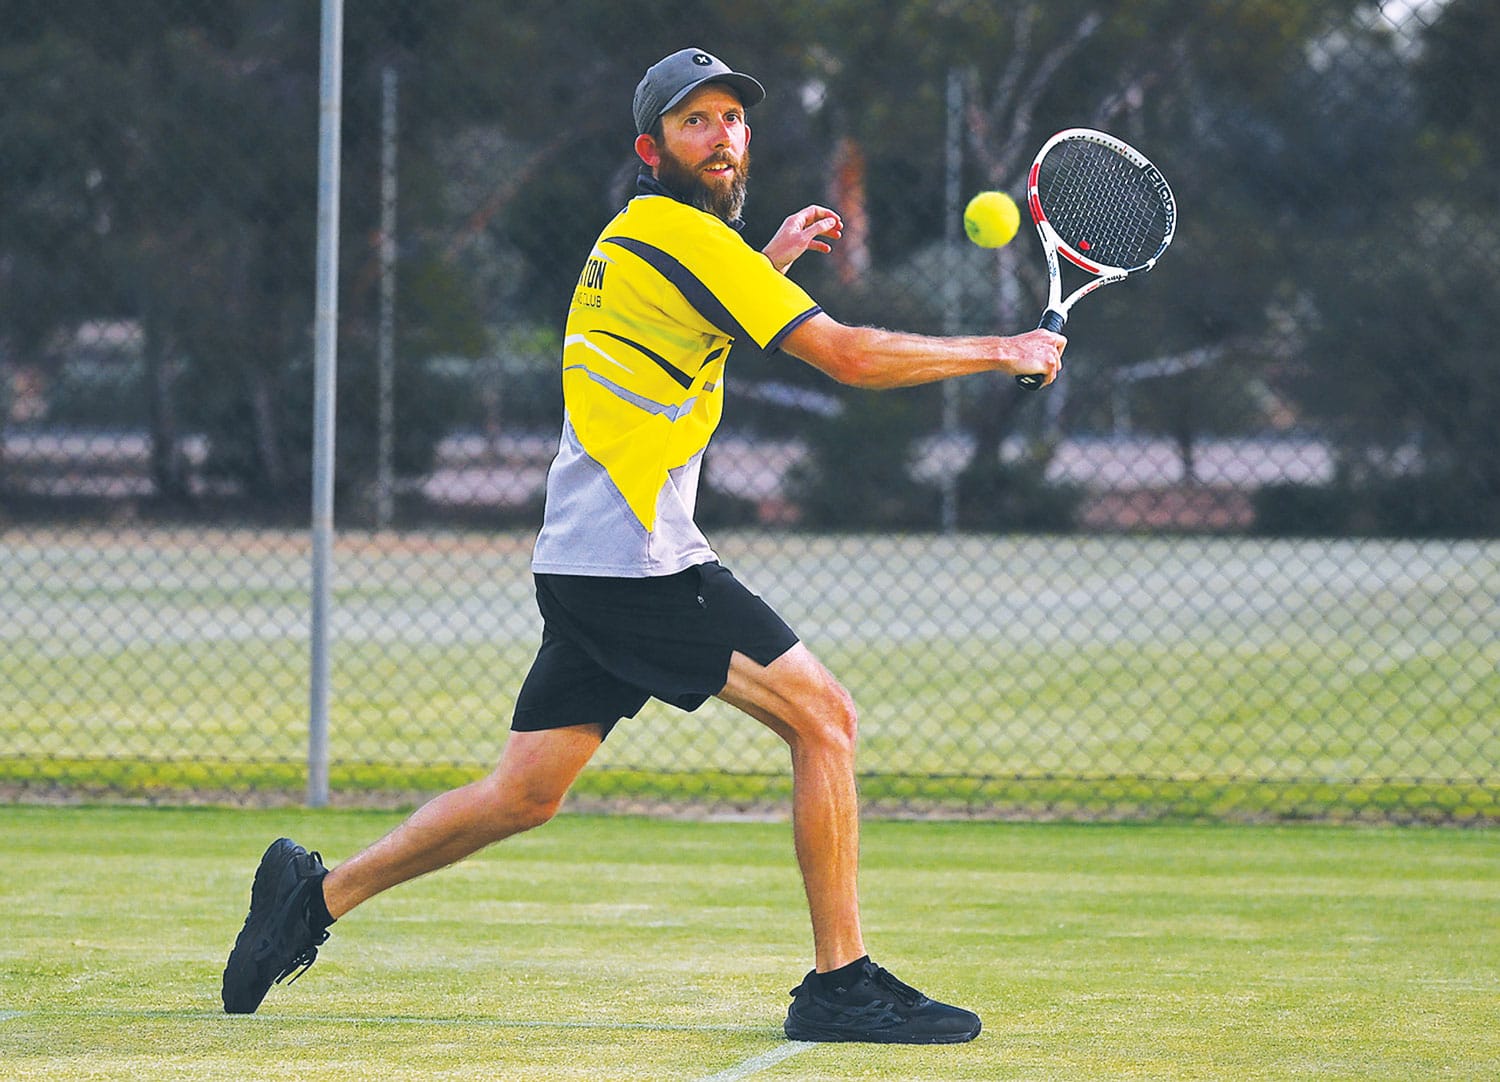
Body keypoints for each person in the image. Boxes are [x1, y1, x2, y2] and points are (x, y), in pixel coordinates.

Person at [222, 47, 1064, 1045]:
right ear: (650, 146)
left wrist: (774, 258)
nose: (720, 135)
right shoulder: (685, 238)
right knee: (825, 719)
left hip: (586, 559)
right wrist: (999, 349)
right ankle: (842, 980)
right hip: (639, 563)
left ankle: (309, 899)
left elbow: (694, 317)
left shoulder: (644, 239)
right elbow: (841, 352)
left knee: (523, 794)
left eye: (731, 118)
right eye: (693, 121)